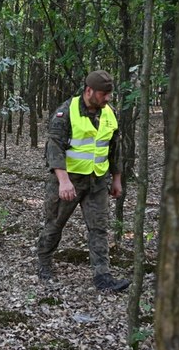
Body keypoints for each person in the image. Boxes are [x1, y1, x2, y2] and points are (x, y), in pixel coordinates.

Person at [37, 70, 130, 292]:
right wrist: (63, 181)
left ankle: (103, 277)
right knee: (54, 224)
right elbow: (54, 148)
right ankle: (44, 265)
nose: (107, 98)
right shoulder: (66, 112)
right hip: (69, 180)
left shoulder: (109, 113)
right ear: (89, 91)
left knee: (99, 228)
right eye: (103, 94)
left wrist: (116, 179)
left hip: (97, 181)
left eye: (109, 94)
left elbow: (114, 149)